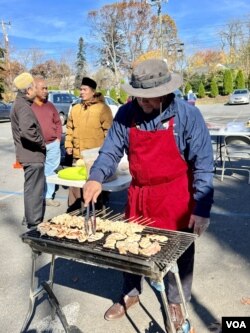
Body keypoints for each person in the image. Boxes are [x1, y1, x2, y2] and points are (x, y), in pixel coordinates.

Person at [83, 59, 214, 330]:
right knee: (130, 248)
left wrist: (202, 208)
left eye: (149, 97)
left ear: (165, 90)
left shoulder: (187, 116)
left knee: (180, 253)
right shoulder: (126, 114)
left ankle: (176, 301)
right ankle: (130, 294)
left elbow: (203, 162)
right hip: (140, 193)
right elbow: (110, 151)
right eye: (138, 95)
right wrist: (95, 178)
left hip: (176, 195)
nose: (142, 102)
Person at [65, 77, 113, 211]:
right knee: (75, 187)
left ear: (93, 91)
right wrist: (68, 145)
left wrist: (106, 153)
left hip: (94, 158)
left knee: (93, 188)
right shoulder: (75, 109)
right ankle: (73, 215)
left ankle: (96, 215)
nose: (81, 92)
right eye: (80, 89)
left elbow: (109, 132)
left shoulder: (103, 108)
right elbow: (69, 128)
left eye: (84, 89)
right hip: (77, 156)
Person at [10, 72, 46, 229]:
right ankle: (34, 224)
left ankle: (29, 217)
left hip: (29, 155)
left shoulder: (19, 103)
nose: (35, 91)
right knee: (35, 191)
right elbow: (27, 132)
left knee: (31, 189)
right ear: (27, 91)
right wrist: (41, 144)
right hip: (32, 156)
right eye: (33, 87)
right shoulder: (23, 107)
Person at [32, 77, 62, 207]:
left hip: (53, 144)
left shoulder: (50, 105)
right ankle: (37, 198)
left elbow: (58, 122)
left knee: (50, 171)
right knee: (37, 172)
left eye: (46, 88)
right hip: (36, 146)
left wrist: (58, 138)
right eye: (43, 88)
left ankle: (48, 197)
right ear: (35, 89)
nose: (46, 91)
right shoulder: (29, 106)